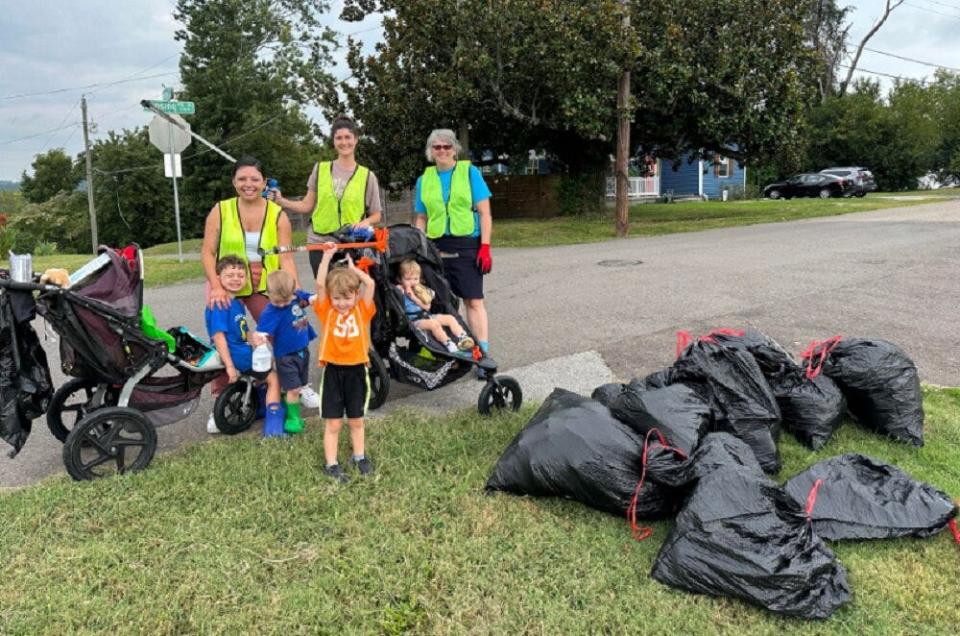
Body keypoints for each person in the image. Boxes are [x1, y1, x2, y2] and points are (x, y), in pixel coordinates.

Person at [200, 156, 320, 428]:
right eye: (242, 179)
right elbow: (207, 252)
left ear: (264, 182)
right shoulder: (221, 210)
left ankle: (295, 386)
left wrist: (295, 289)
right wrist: (217, 285)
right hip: (227, 282)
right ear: (233, 182)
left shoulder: (277, 214)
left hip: (264, 281)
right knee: (224, 341)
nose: (248, 184)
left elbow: (287, 257)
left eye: (255, 179)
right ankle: (222, 399)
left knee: (286, 330)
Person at [412, 129, 493, 376]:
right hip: (435, 246)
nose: (442, 151)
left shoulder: (470, 173)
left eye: (447, 146)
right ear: (431, 151)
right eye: (437, 147)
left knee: (473, 300)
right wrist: (419, 246)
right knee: (439, 302)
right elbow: (421, 217)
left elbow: (485, 213)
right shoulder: (423, 180)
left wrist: (486, 246)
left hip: (466, 244)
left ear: (455, 149)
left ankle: (482, 353)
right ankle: (451, 352)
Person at [267, 116, 383, 277]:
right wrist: (281, 200)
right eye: (339, 138)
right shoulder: (320, 169)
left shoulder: (367, 176)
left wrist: (366, 222)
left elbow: (377, 214)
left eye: (348, 137)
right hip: (320, 242)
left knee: (348, 295)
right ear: (334, 141)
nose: (344, 142)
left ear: (356, 139)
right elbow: (307, 205)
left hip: (351, 244)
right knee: (326, 292)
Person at [312, 244, 376, 483]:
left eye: (347, 297)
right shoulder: (325, 309)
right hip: (333, 371)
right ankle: (332, 464)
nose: (342, 303)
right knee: (334, 422)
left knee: (357, 420)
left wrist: (354, 269)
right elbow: (320, 285)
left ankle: (359, 457)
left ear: (355, 295)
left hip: (357, 370)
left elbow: (369, 285)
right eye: (336, 298)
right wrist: (327, 257)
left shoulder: (362, 309)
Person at [204, 255, 285, 437]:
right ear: (218, 278)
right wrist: (230, 367)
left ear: (246, 279)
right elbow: (218, 337)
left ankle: (259, 405)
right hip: (237, 355)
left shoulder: (236, 303)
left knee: (267, 362)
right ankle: (273, 425)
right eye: (230, 275)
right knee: (274, 379)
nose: (236, 279)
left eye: (240, 276)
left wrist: (253, 337)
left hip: (240, 350)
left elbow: (241, 330)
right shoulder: (220, 304)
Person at [255, 270, 318, 435]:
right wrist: (261, 337)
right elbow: (262, 330)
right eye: (278, 301)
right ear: (268, 294)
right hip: (286, 356)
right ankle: (293, 418)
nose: (283, 304)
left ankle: (289, 401)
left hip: (302, 350)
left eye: (287, 300)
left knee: (300, 384)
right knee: (294, 389)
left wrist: (311, 298)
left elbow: (303, 295)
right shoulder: (270, 312)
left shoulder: (295, 296)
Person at [396, 259, 475, 353]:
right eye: (408, 279)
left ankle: (463, 337)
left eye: (415, 279)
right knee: (434, 324)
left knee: (450, 318)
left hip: (426, 315)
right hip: (414, 321)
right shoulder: (400, 290)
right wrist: (401, 289)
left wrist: (414, 297)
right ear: (400, 279)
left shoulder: (422, 290)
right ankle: (448, 343)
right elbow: (395, 290)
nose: (412, 282)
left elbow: (427, 307)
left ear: (420, 279)